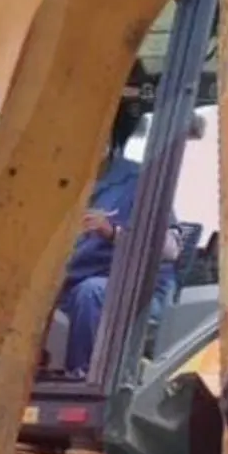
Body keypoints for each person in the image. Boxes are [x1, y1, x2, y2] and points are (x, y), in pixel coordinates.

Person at [54, 103, 182, 374]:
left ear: (110, 139)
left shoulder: (140, 181)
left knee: (92, 293)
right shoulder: (61, 182)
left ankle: (82, 380)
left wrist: (112, 232)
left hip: (134, 290)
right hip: (72, 286)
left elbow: (170, 249)